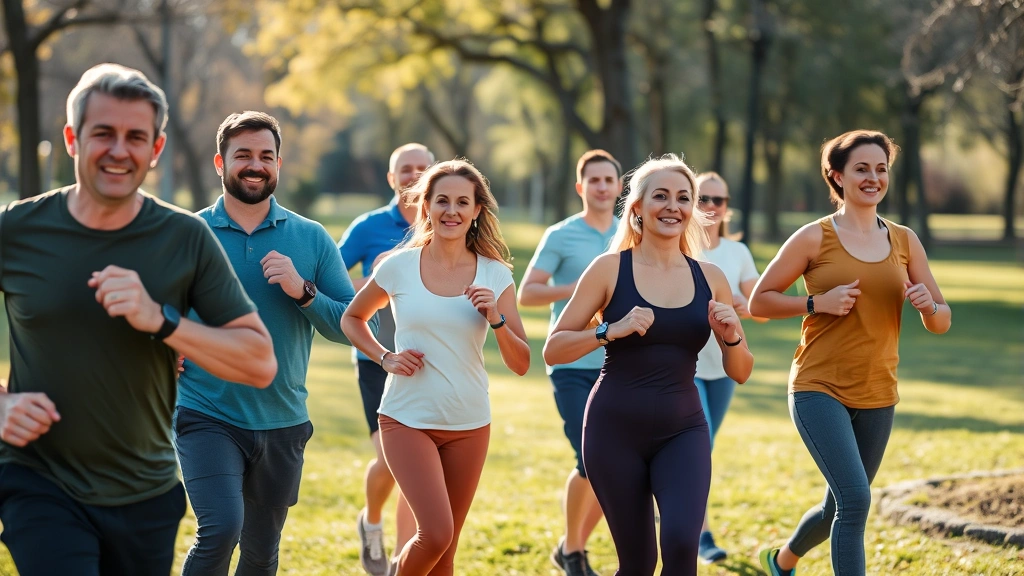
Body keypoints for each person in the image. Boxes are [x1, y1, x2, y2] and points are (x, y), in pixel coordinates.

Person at [0, 64, 277, 576]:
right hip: (38, 481)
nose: (119, 150)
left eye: (136, 137)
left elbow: (259, 362)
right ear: (71, 138)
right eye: (103, 133)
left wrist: (163, 321)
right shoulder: (17, 229)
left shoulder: (184, 238)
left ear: (156, 148)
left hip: (146, 493)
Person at [174, 111, 371, 575]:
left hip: (282, 419)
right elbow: (152, 313)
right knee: (220, 529)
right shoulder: (187, 234)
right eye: (243, 155)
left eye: (266, 156)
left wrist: (303, 291)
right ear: (220, 164)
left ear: (279, 164)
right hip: (206, 412)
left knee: (261, 554)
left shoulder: (311, 237)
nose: (255, 164)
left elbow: (351, 322)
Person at [749, 130, 951, 576]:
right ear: (837, 176)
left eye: (881, 169)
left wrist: (928, 306)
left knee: (837, 504)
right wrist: (814, 303)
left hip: (879, 389)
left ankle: (781, 562)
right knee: (857, 499)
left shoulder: (904, 241)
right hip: (817, 386)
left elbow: (942, 320)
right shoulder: (812, 238)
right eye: (862, 169)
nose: (873, 178)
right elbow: (758, 301)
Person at [544, 154, 754, 576]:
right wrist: (609, 330)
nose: (672, 206)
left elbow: (741, 371)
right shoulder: (608, 269)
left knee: (680, 546)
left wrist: (731, 334)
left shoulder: (710, 277)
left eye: (683, 197)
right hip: (613, 430)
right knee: (638, 563)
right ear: (637, 206)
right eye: (660, 196)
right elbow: (554, 349)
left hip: (684, 430)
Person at [342, 159, 531, 576]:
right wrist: (384, 356)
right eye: (441, 200)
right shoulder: (397, 266)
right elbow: (351, 318)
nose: (452, 211)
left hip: (469, 422)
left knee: (445, 555)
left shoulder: (496, 275)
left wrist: (495, 319)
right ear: (425, 205)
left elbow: (521, 363)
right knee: (436, 533)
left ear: (477, 210)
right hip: (407, 418)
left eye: (462, 202)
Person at [518, 150, 622, 576]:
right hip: (571, 364)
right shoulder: (561, 235)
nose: (601, 187)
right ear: (581, 187)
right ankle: (574, 552)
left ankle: (571, 547)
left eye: (608, 180)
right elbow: (527, 293)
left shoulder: (629, 232)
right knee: (591, 455)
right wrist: (579, 288)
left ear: (619, 188)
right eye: (593, 180)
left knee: (614, 462)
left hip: (618, 362)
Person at [338, 143, 433, 575]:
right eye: (405, 170)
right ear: (392, 179)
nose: (414, 175)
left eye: (422, 168)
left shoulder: (448, 222)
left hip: (433, 362)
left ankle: (401, 560)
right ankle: (371, 521)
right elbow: (332, 281)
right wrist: (378, 275)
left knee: (414, 468)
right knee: (393, 462)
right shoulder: (369, 226)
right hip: (380, 358)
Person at [690, 172, 768, 563]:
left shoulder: (737, 254)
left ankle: (673, 504)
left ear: (727, 207)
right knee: (698, 448)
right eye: (702, 198)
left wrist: (741, 304)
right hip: (685, 364)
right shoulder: (680, 246)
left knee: (703, 447)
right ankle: (701, 535)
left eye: (718, 200)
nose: (710, 207)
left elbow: (763, 307)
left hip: (723, 366)